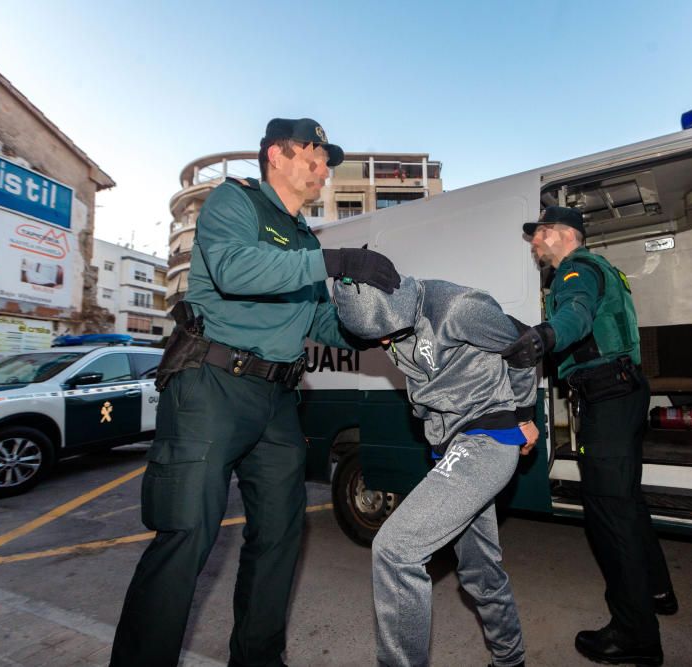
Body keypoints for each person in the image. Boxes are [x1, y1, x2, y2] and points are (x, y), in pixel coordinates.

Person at [109, 118, 400, 667]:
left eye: (325, 164)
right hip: (212, 385)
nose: (323, 171)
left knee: (279, 538)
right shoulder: (233, 202)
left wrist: (378, 328)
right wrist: (334, 261)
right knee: (185, 536)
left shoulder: (302, 238)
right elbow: (233, 269)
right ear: (276, 156)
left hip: (279, 399)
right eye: (313, 158)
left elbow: (319, 320)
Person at [501, 206, 676, 667]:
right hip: (625, 391)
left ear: (559, 235)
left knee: (608, 513)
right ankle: (655, 589)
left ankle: (635, 636)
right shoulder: (604, 268)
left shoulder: (576, 269)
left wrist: (543, 337)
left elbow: (576, 314)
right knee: (627, 501)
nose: (534, 246)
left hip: (608, 396)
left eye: (537, 236)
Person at [333, 274, 537, 667]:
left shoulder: (458, 308)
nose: (385, 344)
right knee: (481, 572)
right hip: (450, 446)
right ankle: (511, 661)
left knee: (394, 551)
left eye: (387, 333)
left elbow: (524, 346)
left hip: (486, 436)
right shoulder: (385, 325)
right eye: (376, 339)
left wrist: (525, 415)